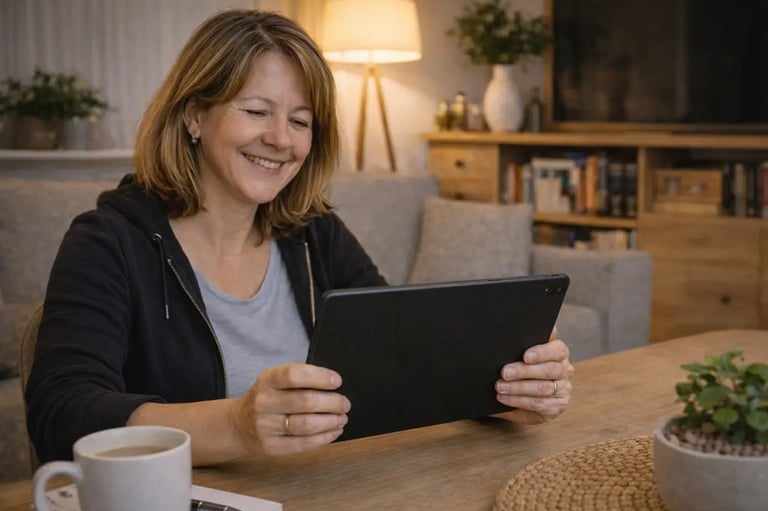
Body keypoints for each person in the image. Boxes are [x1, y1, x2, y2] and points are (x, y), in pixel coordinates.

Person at [25, 9, 574, 465]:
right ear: (195, 115)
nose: (279, 139)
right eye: (256, 110)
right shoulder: (108, 241)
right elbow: (61, 413)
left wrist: (502, 393)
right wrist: (236, 426)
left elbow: (397, 356)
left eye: (301, 120)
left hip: (321, 493)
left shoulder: (312, 233)